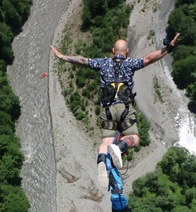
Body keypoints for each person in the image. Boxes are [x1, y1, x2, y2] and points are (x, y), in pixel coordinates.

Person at [50, 33, 180, 189]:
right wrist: (168, 48)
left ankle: (101, 163)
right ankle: (118, 148)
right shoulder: (130, 63)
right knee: (133, 137)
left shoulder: (103, 63)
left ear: (113, 50)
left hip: (108, 108)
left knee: (105, 141)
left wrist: (62, 56)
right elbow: (149, 59)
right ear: (127, 51)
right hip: (124, 107)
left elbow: (83, 60)